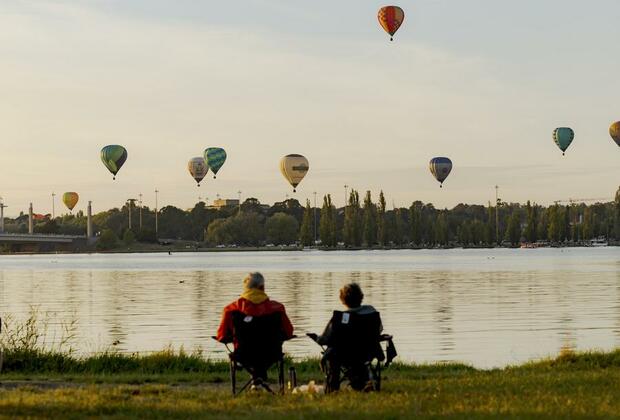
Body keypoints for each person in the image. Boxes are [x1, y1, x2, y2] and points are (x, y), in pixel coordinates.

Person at [310, 282, 383, 392]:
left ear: (342, 300)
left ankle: (333, 388)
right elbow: (379, 330)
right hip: (368, 353)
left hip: (344, 356)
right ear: (361, 297)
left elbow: (325, 339)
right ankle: (362, 383)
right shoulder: (371, 311)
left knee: (332, 355)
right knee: (338, 354)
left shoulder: (340, 319)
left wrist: (315, 337)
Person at [216, 271, 294, 350]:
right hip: (271, 354)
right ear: (262, 287)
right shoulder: (278, 308)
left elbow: (221, 336)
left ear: (245, 288)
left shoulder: (230, 309)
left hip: (242, 355)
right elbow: (289, 333)